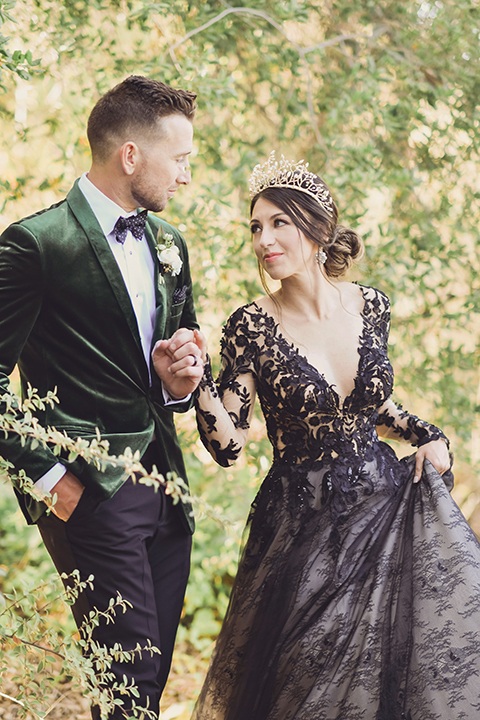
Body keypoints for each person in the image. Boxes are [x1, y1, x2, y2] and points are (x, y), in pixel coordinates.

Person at [154, 153, 480, 719]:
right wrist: (196, 382)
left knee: (404, 666)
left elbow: (374, 408)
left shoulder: (370, 304)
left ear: (318, 230)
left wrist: (428, 432)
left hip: (384, 505)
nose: (263, 239)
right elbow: (228, 445)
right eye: (256, 227)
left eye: (279, 222)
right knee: (310, 685)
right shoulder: (250, 325)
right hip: (304, 524)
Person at [0, 76, 205, 719]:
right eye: (180, 160)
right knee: (126, 684)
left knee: (147, 681)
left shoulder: (170, 244)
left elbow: (174, 366)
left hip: (166, 487)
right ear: (131, 156)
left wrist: (179, 383)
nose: (186, 177)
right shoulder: (36, 244)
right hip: (88, 492)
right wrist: (51, 478)